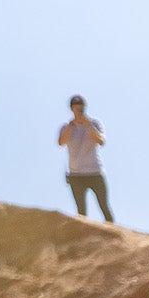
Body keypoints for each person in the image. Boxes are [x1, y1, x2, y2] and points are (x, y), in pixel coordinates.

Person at [58, 95, 113, 223]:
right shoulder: (66, 127)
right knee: (81, 212)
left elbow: (101, 141)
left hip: (95, 173)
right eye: (76, 108)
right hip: (76, 176)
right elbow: (61, 142)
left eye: (81, 108)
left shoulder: (94, 124)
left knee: (104, 207)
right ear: (72, 109)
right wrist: (73, 125)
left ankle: (116, 238)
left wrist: (88, 125)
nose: (79, 110)